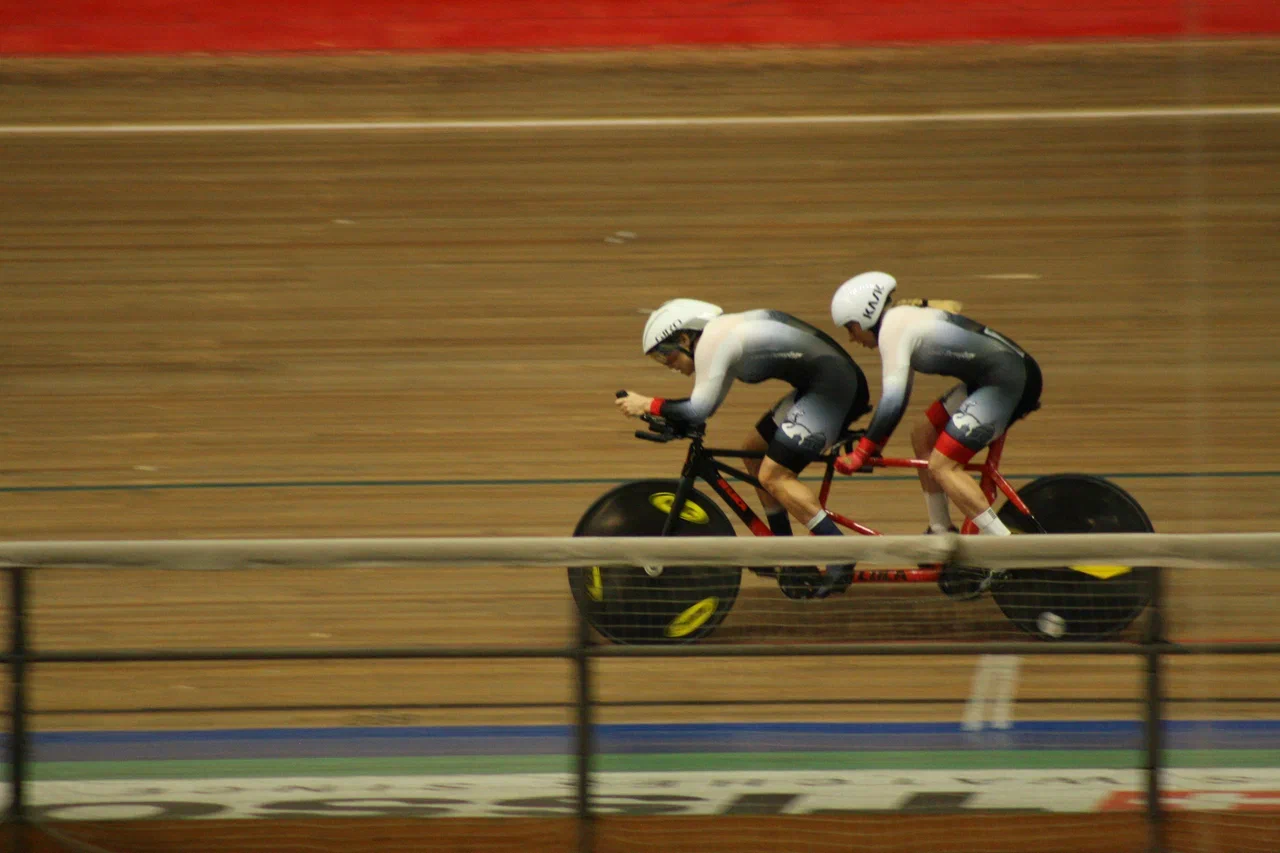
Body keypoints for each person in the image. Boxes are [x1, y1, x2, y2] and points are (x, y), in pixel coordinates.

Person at [616, 298, 871, 599]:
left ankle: (839, 551)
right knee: (753, 449)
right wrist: (671, 418)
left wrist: (646, 403)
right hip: (820, 384)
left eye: (667, 357)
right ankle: (786, 554)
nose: (671, 366)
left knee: (774, 475)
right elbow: (706, 407)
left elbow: (698, 409)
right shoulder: (719, 337)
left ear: (685, 337)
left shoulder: (714, 341)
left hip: (834, 389)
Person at [830, 271, 1042, 545]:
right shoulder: (901, 318)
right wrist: (874, 444)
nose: (852, 338)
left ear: (866, 316)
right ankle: (940, 529)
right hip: (996, 376)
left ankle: (1008, 549)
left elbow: (893, 400)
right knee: (922, 433)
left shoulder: (892, 331)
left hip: (1006, 382)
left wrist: (862, 453)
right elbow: (900, 396)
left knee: (943, 466)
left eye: (850, 327)